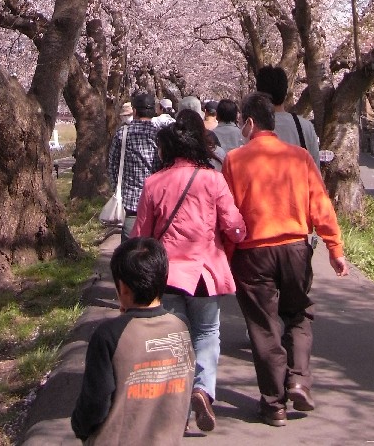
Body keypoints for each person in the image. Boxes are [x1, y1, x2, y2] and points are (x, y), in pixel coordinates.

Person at [223, 91, 349, 427]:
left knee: (264, 328)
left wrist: (225, 255)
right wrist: (335, 249)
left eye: (240, 123)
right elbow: (320, 206)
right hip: (295, 248)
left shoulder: (234, 160)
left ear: (249, 123)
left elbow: (228, 216)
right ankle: (298, 380)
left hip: (252, 254)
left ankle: (273, 405)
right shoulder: (300, 158)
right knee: (298, 314)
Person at [132, 110, 246, 433]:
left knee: (173, 340)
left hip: (166, 275)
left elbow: (139, 236)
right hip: (204, 274)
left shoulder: (154, 183)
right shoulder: (213, 179)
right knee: (207, 333)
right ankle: (203, 389)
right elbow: (235, 225)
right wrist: (236, 239)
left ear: (167, 148)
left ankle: (175, 405)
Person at [71, 237, 195, 446]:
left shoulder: (109, 335)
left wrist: (80, 426)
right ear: (164, 279)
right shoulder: (181, 327)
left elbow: (95, 404)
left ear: (123, 287)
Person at [107, 90, 159, 241]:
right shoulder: (160, 134)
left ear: (134, 111)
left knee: (129, 249)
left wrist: (117, 189)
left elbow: (112, 166)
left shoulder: (122, 133)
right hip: (156, 200)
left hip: (130, 202)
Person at [256, 65, 321, 165]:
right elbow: (315, 169)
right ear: (286, 92)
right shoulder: (305, 126)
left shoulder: (252, 128)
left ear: (258, 94)